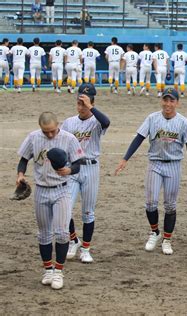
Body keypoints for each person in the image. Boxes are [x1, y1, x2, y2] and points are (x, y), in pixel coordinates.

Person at [115, 88, 187, 256]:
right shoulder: (152, 118)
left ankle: (167, 239)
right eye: (165, 100)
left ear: (177, 102)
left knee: (170, 205)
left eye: (171, 100)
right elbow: (139, 138)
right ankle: (155, 232)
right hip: (155, 163)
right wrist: (125, 159)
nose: (168, 104)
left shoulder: (183, 122)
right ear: (162, 101)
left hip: (174, 165)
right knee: (151, 202)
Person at [16, 111, 84, 290]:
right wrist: (20, 175)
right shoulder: (33, 138)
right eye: (46, 132)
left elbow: (78, 163)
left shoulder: (68, 139)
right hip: (41, 190)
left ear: (58, 125)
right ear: (40, 128)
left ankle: (59, 272)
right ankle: (48, 270)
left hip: (61, 190)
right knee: (44, 233)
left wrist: (69, 171)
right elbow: (23, 159)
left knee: (62, 233)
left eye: (53, 131)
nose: (50, 135)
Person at [62, 84, 110, 263]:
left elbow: (106, 122)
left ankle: (86, 249)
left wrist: (90, 107)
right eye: (79, 103)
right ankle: (73, 240)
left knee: (88, 212)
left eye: (84, 103)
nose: (80, 107)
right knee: (65, 208)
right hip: (73, 168)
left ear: (91, 102)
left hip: (91, 168)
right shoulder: (69, 122)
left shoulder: (97, 121)